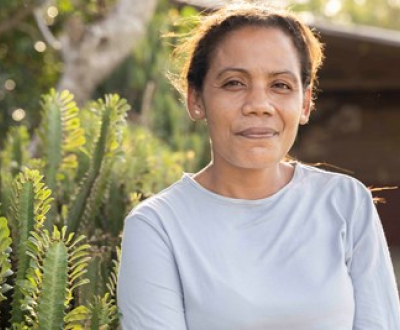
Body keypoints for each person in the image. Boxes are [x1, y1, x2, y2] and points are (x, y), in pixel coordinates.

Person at [117, 3, 400, 329]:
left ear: (305, 103)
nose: (259, 105)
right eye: (234, 83)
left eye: (280, 85)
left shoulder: (346, 202)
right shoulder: (158, 226)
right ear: (195, 99)